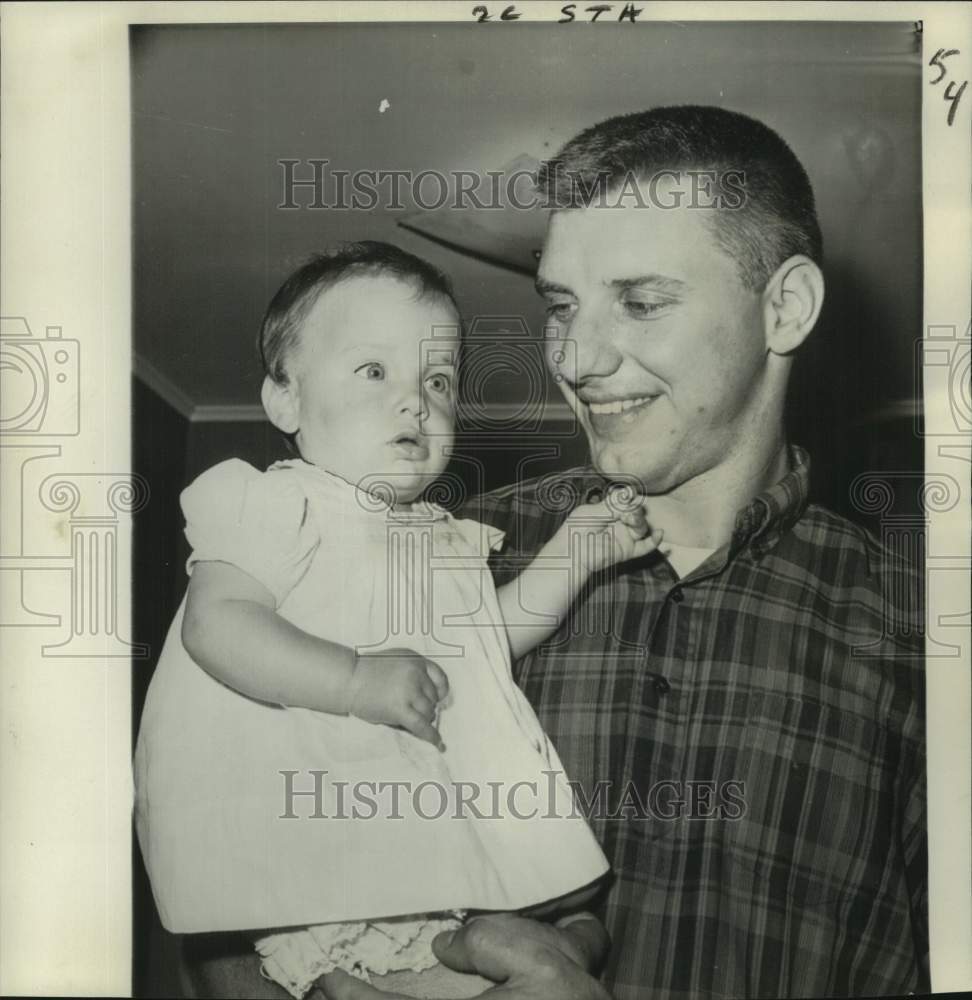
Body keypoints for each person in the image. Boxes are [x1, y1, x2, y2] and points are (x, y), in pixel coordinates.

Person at [440, 105, 924, 1000]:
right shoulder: (451, 556)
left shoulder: (927, 631)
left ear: (785, 308)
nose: (575, 359)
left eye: (640, 301)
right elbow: (233, 898)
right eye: (561, 307)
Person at [134, 241, 665, 999]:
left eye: (439, 379)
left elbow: (484, 644)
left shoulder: (437, 535)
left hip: (406, 842)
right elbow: (218, 626)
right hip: (302, 829)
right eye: (374, 370)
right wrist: (354, 681)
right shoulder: (278, 503)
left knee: (448, 960)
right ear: (284, 399)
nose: (417, 401)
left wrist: (578, 550)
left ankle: (530, 943)